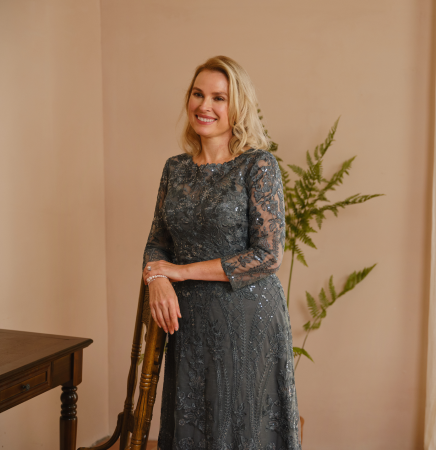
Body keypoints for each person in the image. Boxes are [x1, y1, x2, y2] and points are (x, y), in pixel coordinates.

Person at [142, 55, 301, 450]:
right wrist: (157, 277)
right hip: (188, 323)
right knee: (195, 428)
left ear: (238, 106)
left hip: (246, 320)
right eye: (198, 94)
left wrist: (180, 272)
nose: (204, 106)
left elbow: (267, 256)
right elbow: (157, 241)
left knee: (242, 428)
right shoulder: (174, 169)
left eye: (218, 98)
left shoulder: (258, 166)